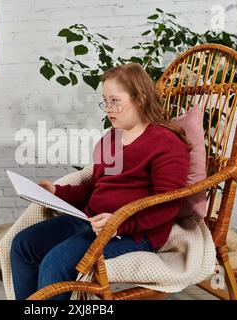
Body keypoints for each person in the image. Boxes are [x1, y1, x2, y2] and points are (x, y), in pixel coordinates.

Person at [10, 63, 190, 300]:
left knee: (55, 264)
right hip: (89, 221)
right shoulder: (111, 139)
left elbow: (168, 204)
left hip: (130, 234)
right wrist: (56, 191)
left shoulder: (165, 142)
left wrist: (119, 224)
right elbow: (95, 187)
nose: (108, 108)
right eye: (105, 101)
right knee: (23, 244)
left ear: (140, 99)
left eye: (115, 101)